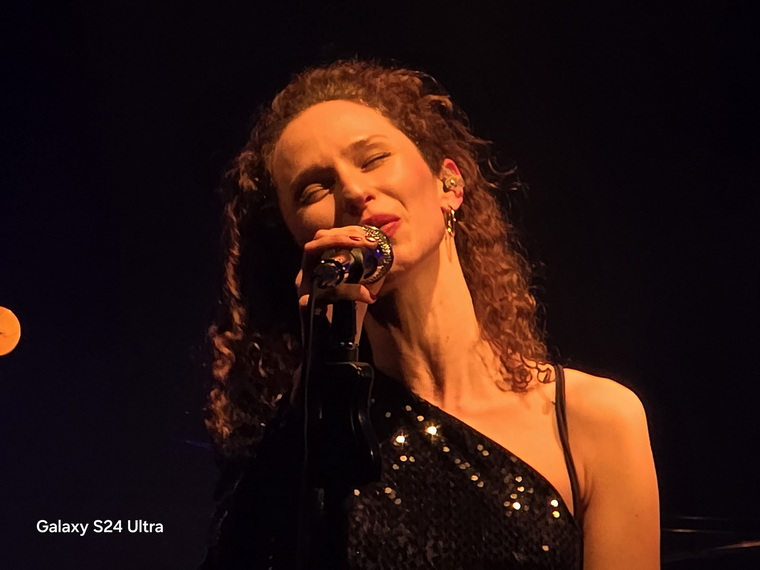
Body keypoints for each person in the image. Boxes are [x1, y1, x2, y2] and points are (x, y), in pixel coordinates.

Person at [201, 60, 659, 569]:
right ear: (298, 241)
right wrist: (314, 391)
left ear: (448, 185)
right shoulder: (303, 438)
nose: (353, 191)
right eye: (314, 189)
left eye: (374, 158)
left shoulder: (594, 421)